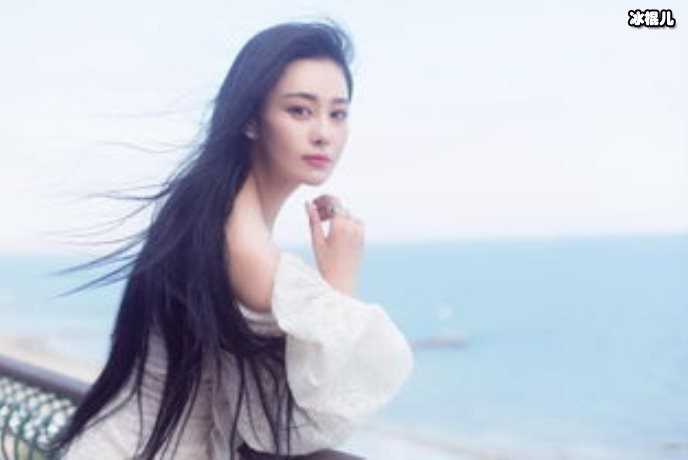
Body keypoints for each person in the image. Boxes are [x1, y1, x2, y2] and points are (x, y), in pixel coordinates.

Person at [52, 19, 413, 460]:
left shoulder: (211, 203)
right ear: (250, 120)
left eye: (337, 113)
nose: (323, 132)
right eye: (300, 110)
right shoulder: (242, 240)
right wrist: (339, 283)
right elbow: (296, 424)